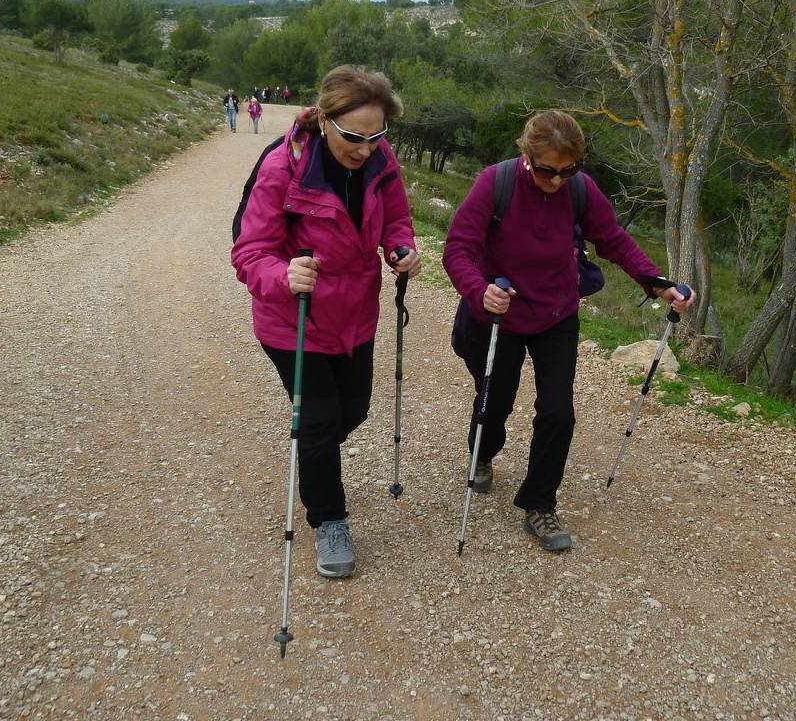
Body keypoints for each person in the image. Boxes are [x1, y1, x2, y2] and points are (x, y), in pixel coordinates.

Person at [442, 109, 694, 553]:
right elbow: (458, 247)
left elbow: (612, 238)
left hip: (556, 314)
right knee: (494, 401)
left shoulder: (579, 189)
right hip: (499, 312)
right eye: (546, 171)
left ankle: (539, 503)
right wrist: (479, 290)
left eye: (567, 171)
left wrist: (655, 282)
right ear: (526, 156)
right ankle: (483, 453)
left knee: (559, 412)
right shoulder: (494, 183)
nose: (556, 181)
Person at [232, 66, 421, 578]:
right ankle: (329, 518)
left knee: (354, 408)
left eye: (377, 134)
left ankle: (313, 457)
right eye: (354, 136)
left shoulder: (382, 160)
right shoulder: (283, 168)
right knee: (318, 424)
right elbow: (249, 253)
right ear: (324, 119)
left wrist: (401, 247)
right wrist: (283, 273)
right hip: (294, 319)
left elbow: (398, 218)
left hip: (357, 315)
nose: (365, 148)